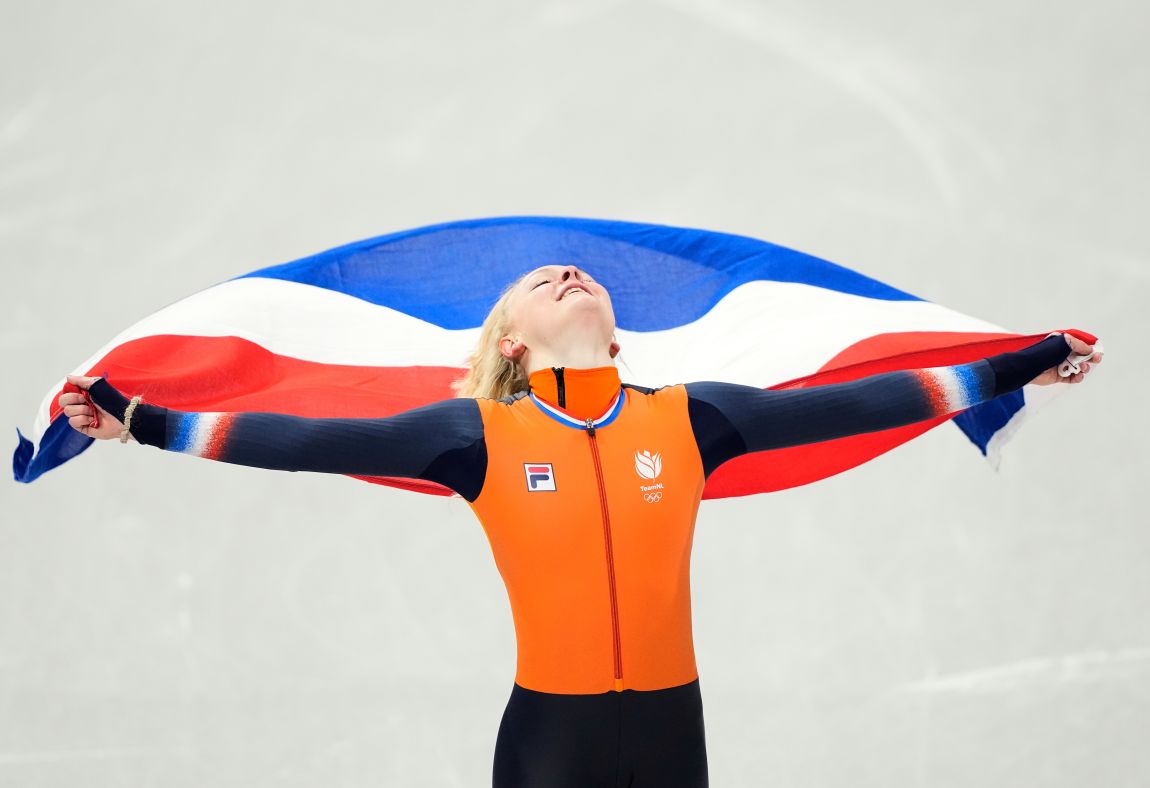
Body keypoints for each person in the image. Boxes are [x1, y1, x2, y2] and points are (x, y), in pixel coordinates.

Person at [60, 264, 1101, 787]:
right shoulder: (474, 433)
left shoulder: (693, 417)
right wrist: (140, 420)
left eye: (580, 270)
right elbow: (300, 438)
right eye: (540, 278)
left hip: (669, 730)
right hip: (550, 739)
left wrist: (1019, 362)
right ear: (510, 337)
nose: (569, 271)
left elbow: (868, 401)